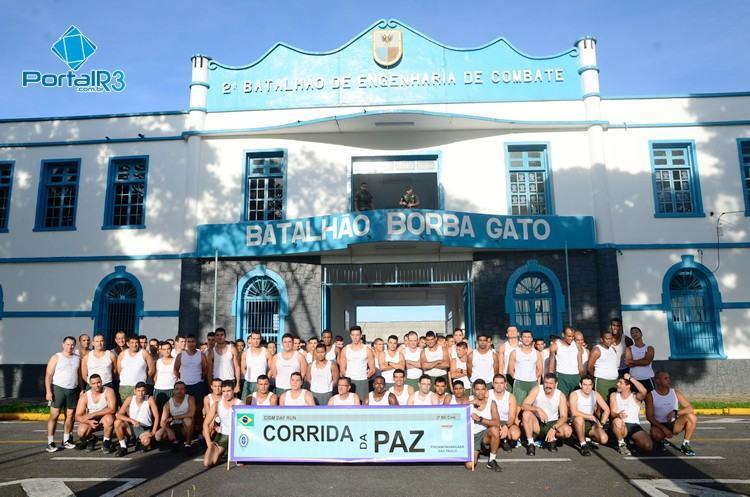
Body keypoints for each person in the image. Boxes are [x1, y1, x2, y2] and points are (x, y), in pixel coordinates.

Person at [645, 371, 697, 456]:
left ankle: (686, 444)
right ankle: (660, 441)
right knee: (656, 435)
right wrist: (664, 429)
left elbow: (690, 408)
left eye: (669, 378)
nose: (669, 380)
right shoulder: (651, 395)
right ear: (657, 381)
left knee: (692, 417)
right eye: (666, 378)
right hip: (659, 425)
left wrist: (675, 412)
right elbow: (649, 417)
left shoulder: (675, 393)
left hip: (673, 424)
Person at [521, 373, 572, 455]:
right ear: (543, 382)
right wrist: (538, 409)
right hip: (538, 423)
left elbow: (564, 417)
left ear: (556, 384)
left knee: (567, 431)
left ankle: (553, 438)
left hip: (552, 423)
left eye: (551, 383)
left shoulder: (560, 395)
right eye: (546, 383)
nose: (548, 385)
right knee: (526, 414)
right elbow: (524, 405)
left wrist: (553, 428)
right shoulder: (537, 389)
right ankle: (531, 443)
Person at [45, 336, 80, 452]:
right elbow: (48, 375)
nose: (70, 347)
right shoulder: (56, 357)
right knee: (54, 416)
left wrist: (82, 388)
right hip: (58, 389)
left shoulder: (77, 358)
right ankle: (50, 442)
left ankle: (66, 440)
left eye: (72, 345)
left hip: (73, 389)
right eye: (67, 344)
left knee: (70, 416)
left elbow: (79, 375)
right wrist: (48, 391)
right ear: (63, 344)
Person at [610, 373, 653, 455]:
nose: (617, 384)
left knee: (648, 446)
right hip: (620, 425)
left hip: (633, 426)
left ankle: (631, 442)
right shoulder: (614, 395)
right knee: (617, 421)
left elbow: (644, 391)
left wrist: (630, 378)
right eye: (618, 382)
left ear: (628, 386)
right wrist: (618, 415)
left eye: (620, 383)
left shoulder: (635, 396)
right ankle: (621, 444)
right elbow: (612, 413)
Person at [114, 381, 159, 456]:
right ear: (135, 391)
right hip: (132, 426)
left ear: (146, 391)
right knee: (117, 422)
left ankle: (140, 441)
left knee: (146, 441)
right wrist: (131, 420)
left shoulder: (150, 399)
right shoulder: (130, 399)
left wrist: (153, 432)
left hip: (144, 428)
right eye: (138, 391)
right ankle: (123, 447)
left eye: (143, 390)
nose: (140, 393)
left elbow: (157, 416)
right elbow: (118, 414)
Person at [203, 380, 241, 468]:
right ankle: (221, 452)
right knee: (207, 463)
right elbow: (205, 424)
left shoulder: (240, 404)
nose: (226, 394)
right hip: (222, 436)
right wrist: (209, 443)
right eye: (224, 391)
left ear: (233, 390)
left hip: (235, 437)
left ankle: (230, 452)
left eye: (228, 391)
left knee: (239, 463)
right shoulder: (217, 405)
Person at [569, 375, 610, 456]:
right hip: (576, 422)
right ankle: (583, 445)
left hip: (590, 423)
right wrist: (591, 417)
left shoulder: (595, 394)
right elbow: (574, 412)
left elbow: (607, 409)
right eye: (585, 385)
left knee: (604, 439)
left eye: (590, 385)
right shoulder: (574, 394)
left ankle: (585, 438)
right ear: (580, 385)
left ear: (592, 385)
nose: (588, 387)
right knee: (579, 419)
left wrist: (602, 422)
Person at [74, 374, 116, 452]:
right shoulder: (85, 396)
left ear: (101, 382)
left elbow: (112, 409)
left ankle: (106, 441)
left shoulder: (109, 391)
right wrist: (88, 421)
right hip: (91, 420)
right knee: (81, 432)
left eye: (98, 382)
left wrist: (94, 414)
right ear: (90, 385)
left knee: (109, 419)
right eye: (93, 383)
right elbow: (77, 416)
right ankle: (91, 439)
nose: (97, 385)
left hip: (104, 418)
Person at [466, 379, 502, 472]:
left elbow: (497, 423)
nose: (480, 392)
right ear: (473, 390)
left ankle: (492, 459)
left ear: (486, 390)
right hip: (471, 436)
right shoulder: (468, 400)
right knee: (470, 465)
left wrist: (480, 419)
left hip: (484, 434)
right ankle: (479, 450)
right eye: (477, 389)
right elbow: (456, 409)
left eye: (482, 389)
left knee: (495, 430)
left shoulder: (491, 403)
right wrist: (469, 404)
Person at [174, 334, 209, 429]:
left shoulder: (201, 355)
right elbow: (176, 369)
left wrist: (199, 378)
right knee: (184, 408)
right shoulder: (181, 355)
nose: (190, 343)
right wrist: (182, 379)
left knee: (198, 408)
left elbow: (205, 369)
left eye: (192, 341)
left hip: (198, 385)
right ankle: (185, 430)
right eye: (188, 341)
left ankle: (198, 430)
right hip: (185, 386)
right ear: (186, 343)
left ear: (196, 342)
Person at [154, 381, 196, 455]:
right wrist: (168, 429)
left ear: (185, 390)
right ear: (173, 391)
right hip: (174, 426)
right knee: (158, 435)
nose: (179, 391)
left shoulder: (190, 398)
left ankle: (188, 445)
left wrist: (174, 417)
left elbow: (191, 413)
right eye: (177, 389)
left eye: (182, 389)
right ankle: (175, 442)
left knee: (188, 420)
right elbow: (162, 422)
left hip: (185, 426)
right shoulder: (168, 404)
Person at [339, 326, 375, 402]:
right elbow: (342, 368)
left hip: (362, 381)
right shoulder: (345, 349)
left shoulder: (367, 350)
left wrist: (364, 377)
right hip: (350, 381)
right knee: (349, 403)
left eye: (357, 335)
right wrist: (348, 378)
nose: (355, 337)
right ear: (350, 336)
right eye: (353, 335)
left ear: (361, 335)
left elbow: (372, 369)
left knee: (363, 404)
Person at [508, 330, 542, 406]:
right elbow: (510, 370)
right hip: (519, 383)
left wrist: (532, 378)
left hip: (532, 383)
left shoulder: (537, 353)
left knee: (533, 406)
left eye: (529, 337)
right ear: (521, 338)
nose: (527, 339)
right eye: (525, 337)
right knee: (517, 407)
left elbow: (540, 370)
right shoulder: (514, 352)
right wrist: (518, 378)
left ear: (532, 339)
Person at [117, 335, 155, 402]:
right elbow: (119, 370)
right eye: (132, 342)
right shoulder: (122, 354)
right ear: (128, 343)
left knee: (139, 409)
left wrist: (144, 378)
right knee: (124, 409)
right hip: (124, 387)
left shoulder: (144, 353)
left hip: (140, 387)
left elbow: (152, 369)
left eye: (136, 342)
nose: (134, 345)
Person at [488, 374, 520, 451]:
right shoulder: (488, 394)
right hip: (492, 422)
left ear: (505, 384)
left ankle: (505, 440)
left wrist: (506, 426)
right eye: (496, 383)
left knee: (515, 434)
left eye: (501, 383)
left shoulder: (510, 397)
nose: (499, 385)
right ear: (492, 384)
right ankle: (500, 441)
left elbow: (512, 416)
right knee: (492, 433)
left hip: (506, 422)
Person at [550, 327, 583, 396]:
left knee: (575, 400)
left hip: (575, 376)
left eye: (573, 336)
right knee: (562, 400)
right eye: (569, 336)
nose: (571, 338)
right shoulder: (555, 346)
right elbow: (551, 364)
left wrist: (581, 377)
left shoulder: (577, 346)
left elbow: (580, 364)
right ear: (563, 334)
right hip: (561, 376)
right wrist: (551, 378)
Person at [240, 329, 272, 400]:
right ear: (250, 339)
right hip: (248, 383)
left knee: (260, 405)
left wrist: (266, 380)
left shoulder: (266, 352)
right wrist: (248, 376)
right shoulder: (245, 353)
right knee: (245, 405)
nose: (256, 341)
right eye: (254, 338)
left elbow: (271, 369)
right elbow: (243, 368)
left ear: (260, 339)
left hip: (261, 384)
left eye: (258, 338)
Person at [588, 331, 619, 401]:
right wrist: (597, 377)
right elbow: (589, 367)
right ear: (601, 339)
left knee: (613, 403)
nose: (609, 341)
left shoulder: (613, 349)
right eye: (607, 339)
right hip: (602, 382)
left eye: (611, 339)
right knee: (601, 405)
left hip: (614, 381)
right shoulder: (597, 350)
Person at [209, 328, 241, 395]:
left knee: (231, 403)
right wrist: (210, 385)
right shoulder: (212, 351)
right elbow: (209, 370)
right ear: (215, 337)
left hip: (230, 380)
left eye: (222, 335)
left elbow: (237, 367)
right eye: (217, 335)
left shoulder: (232, 348)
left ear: (225, 336)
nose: (220, 337)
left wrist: (238, 384)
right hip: (216, 382)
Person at [625, 327, 656, 392]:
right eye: (632, 333)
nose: (634, 334)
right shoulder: (629, 349)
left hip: (648, 378)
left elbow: (647, 362)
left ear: (641, 334)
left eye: (636, 332)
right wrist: (643, 360)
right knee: (636, 401)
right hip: (634, 379)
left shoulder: (649, 348)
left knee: (650, 400)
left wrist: (631, 361)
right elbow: (628, 364)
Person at [153, 341, 177, 413]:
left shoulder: (176, 360)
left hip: (171, 389)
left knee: (170, 412)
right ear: (161, 350)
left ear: (171, 349)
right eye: (164, 349)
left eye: (168, 349)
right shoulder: (159, 361)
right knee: (158, 412)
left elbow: (179, 375)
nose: (166, 351)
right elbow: (156, 375)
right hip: (159, 390)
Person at [498, 326, 520, 390]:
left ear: (518, 333)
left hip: (520, 374)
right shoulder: (503, 346)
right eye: (510, 331)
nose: (512, 332)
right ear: (507, 334)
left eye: (514, 330)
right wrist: (501, 380)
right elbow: (501, 365)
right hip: (507, 375)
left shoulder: (522, 345)